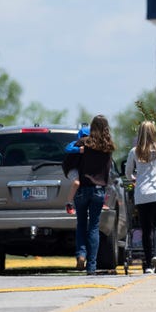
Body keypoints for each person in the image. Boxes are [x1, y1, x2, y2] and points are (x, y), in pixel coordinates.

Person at [66, 115, 115, 275]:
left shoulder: (84, 143)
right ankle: (91, 267)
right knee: (93, 227)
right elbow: (108, 172)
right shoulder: (108, 147)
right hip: (99, 190)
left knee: (81, 223)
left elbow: (68, 154)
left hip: (82, 190)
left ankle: (81, 254)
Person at [125, 120, 156, 274]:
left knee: (147, 229)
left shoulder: (134, 151)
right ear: (154, 132)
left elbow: (128, 173)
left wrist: (135, 178)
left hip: (142, 194)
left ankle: (148, 265)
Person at [64, 125, 90, 221]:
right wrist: (79, 149)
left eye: (87, 136)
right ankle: (69, 204)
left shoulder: (91, 146)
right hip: (72, 168)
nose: (85, 138)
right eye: (83, 135)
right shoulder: (75, 143)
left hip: (83, 169)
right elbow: (67, 149)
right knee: (76, 183)